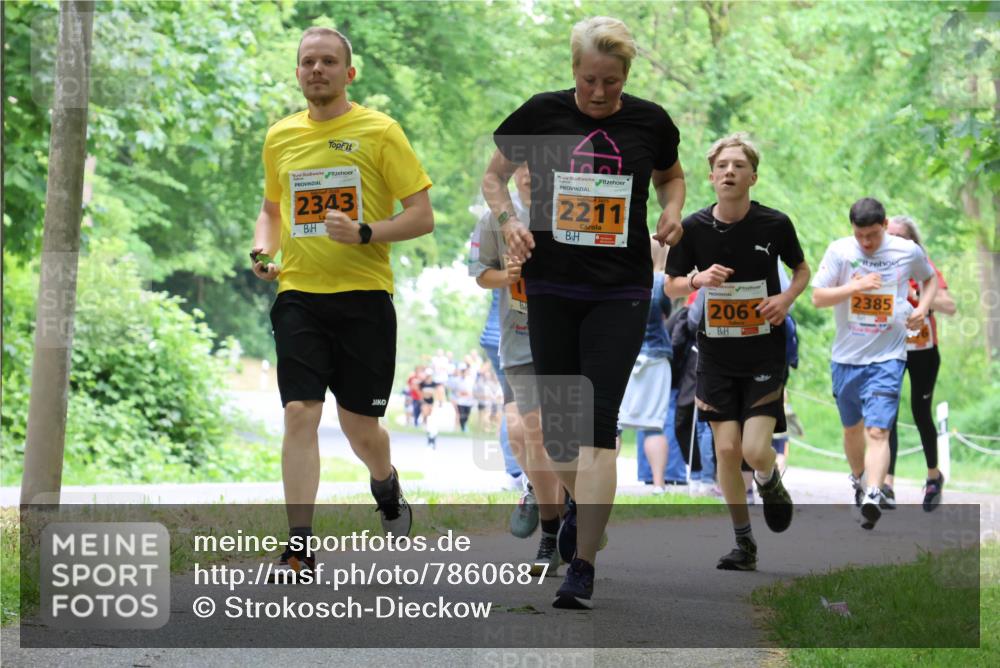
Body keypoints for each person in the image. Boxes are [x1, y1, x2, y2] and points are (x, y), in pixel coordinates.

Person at [483, 16, 685, 609]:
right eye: (590, 79)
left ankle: (583, 566)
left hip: (619, 291)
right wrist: (510, 222)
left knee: (597, 425)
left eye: (612, 82)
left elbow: (671, 177)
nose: (599, 92)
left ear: (627, 76)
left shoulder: (650, 121)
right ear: (573, 70)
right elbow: (494, 179)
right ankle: (581, 507)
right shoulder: (541, 114)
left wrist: (672, 210)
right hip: (551, 288)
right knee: (559, 433)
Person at [250, 26, 433, 573]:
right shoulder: (280, 136)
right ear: (297, 72)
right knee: (299, 413)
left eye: (329, 61)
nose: (317, 70)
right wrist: (262, 251)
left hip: (364, 298)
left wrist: (366, 232)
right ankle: (299, 545)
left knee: (360, 428)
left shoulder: (380, 131)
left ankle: (385, 482)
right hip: (299, 294)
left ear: (348, 73)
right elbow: (271, 210)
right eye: (308, 61)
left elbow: (421, 216)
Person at [665, 133, 809, 571]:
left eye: (739, 166)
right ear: (711, 177)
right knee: (726, 449)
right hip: (715, 355)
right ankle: (744, 542)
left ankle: (768, 478)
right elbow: (671, 285)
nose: (729, 171)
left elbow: (801, 270)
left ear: (753, 177)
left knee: (754, 449)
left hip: (764, 351)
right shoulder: (693, 228)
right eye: (722, 166)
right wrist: (697, 280)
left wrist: (785, 300)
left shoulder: (775, 224)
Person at [812, 198, 937, 530]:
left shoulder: (906, 251)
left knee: (878, 430)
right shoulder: (840, 251)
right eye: (860, 235)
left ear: (885, 225)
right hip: (846, 358)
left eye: (872, 235)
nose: (866, 242)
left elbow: (930, 279)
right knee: (852, 429)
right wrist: (855, 286)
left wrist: (922, 308)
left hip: (888, 357)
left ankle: (873, 493)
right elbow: (818, 297)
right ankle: (859, 480)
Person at [469, 163, 564, 575]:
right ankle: (551, 527)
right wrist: (504, 275)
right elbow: (481, 274)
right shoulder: (493, 220)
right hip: (520, 340)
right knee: (527, 433)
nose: (529, 173)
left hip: (568, 340)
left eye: (538, 165)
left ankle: (574, 509)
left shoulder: (573, 213)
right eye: (521, 165)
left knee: (563, 439)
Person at [883, 215, 956, 511]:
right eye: (889, 235)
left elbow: (949, 306)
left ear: (912, 241)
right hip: (891, 348)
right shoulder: (880, 266)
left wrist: (919, 296)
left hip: (923, 350)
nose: (894, 241)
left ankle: (933, 476)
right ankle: (887, 484)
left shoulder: (924, 266)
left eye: (900, 236)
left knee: (920, 411)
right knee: (887, 412)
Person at [618, 237, 673, 493]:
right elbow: (665, 312)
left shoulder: (624, 278)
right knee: (654, 425)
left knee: (614, 424)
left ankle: (605, 478)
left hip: (625, 355)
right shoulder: (663, 283)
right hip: (656, 358)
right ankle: (659, 484)